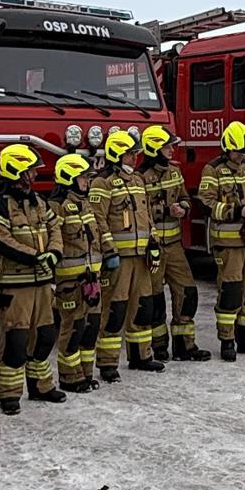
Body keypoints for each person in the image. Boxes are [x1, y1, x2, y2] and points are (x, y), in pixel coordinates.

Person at [0, 145, 65, 415]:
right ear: (16, 171)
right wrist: (36, 257)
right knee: (15, 341)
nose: (34, 175)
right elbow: (2, 240)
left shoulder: (38, 201)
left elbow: (55, 227)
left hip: (42, 283)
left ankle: (41, 386)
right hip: (16, 284)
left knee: (44, 335)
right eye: (30, 170)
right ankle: (9, 394)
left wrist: (54, 252)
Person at [92, 130, 165, 380]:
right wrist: (108, 249)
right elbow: (98, 220)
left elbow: (146, 216)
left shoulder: (137, 180)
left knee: (142, 307)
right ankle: (107, 363)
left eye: (135, 154)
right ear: (117, 154)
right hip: (119, 259)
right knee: (115, 310)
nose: (135, 158)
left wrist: (153, 240)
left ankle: (141, 356)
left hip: (141, 256)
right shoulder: (101, 183)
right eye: (131, 154)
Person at [199, 121, 245, 360]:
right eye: (238, 152)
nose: (241, 157)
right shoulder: (213, 170)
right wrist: (237, 211)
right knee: (231, 292)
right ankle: (227, 340)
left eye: (244, 152)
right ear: (227, 148)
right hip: (228, 244)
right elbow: (206, 203)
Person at [140, 126, 211, 362]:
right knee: (155, 298)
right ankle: (158, 345)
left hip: (174, 245)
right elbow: (138, 211)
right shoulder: (140, 178)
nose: (171, 150)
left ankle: (185, 346)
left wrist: (185, 208)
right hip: (152, 249)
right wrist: (164, 210)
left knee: (187, 292)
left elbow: (184, 196)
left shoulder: (174, 172)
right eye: (166, 146)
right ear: (153, 149)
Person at [49, 154, 108, 392]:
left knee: (91, 325)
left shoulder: (85, 203)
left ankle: (85, 373)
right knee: (73, 326)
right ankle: (68, 376)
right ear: (69, 177)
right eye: (82, 177)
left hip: (90, 278)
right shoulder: (57, 205)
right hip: (70, 281)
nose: (86, 181)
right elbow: (53, 238)